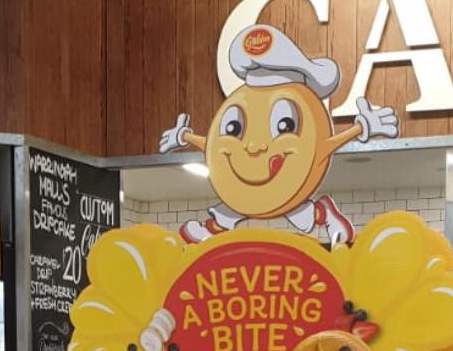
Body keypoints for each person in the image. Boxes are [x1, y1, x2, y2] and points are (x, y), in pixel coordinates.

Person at [159, 24, 398, 246]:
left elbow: (324, 146)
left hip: (289, 189)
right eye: (234, 128)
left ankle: (322, 212)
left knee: (290, 206)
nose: (253, 146)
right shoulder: (238, 113)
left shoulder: (308, 127)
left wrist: (365, 126)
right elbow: (213, 145)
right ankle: (216, 227)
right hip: (250, 192)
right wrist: (184, 137)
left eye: (284, 124)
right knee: (241, 199)